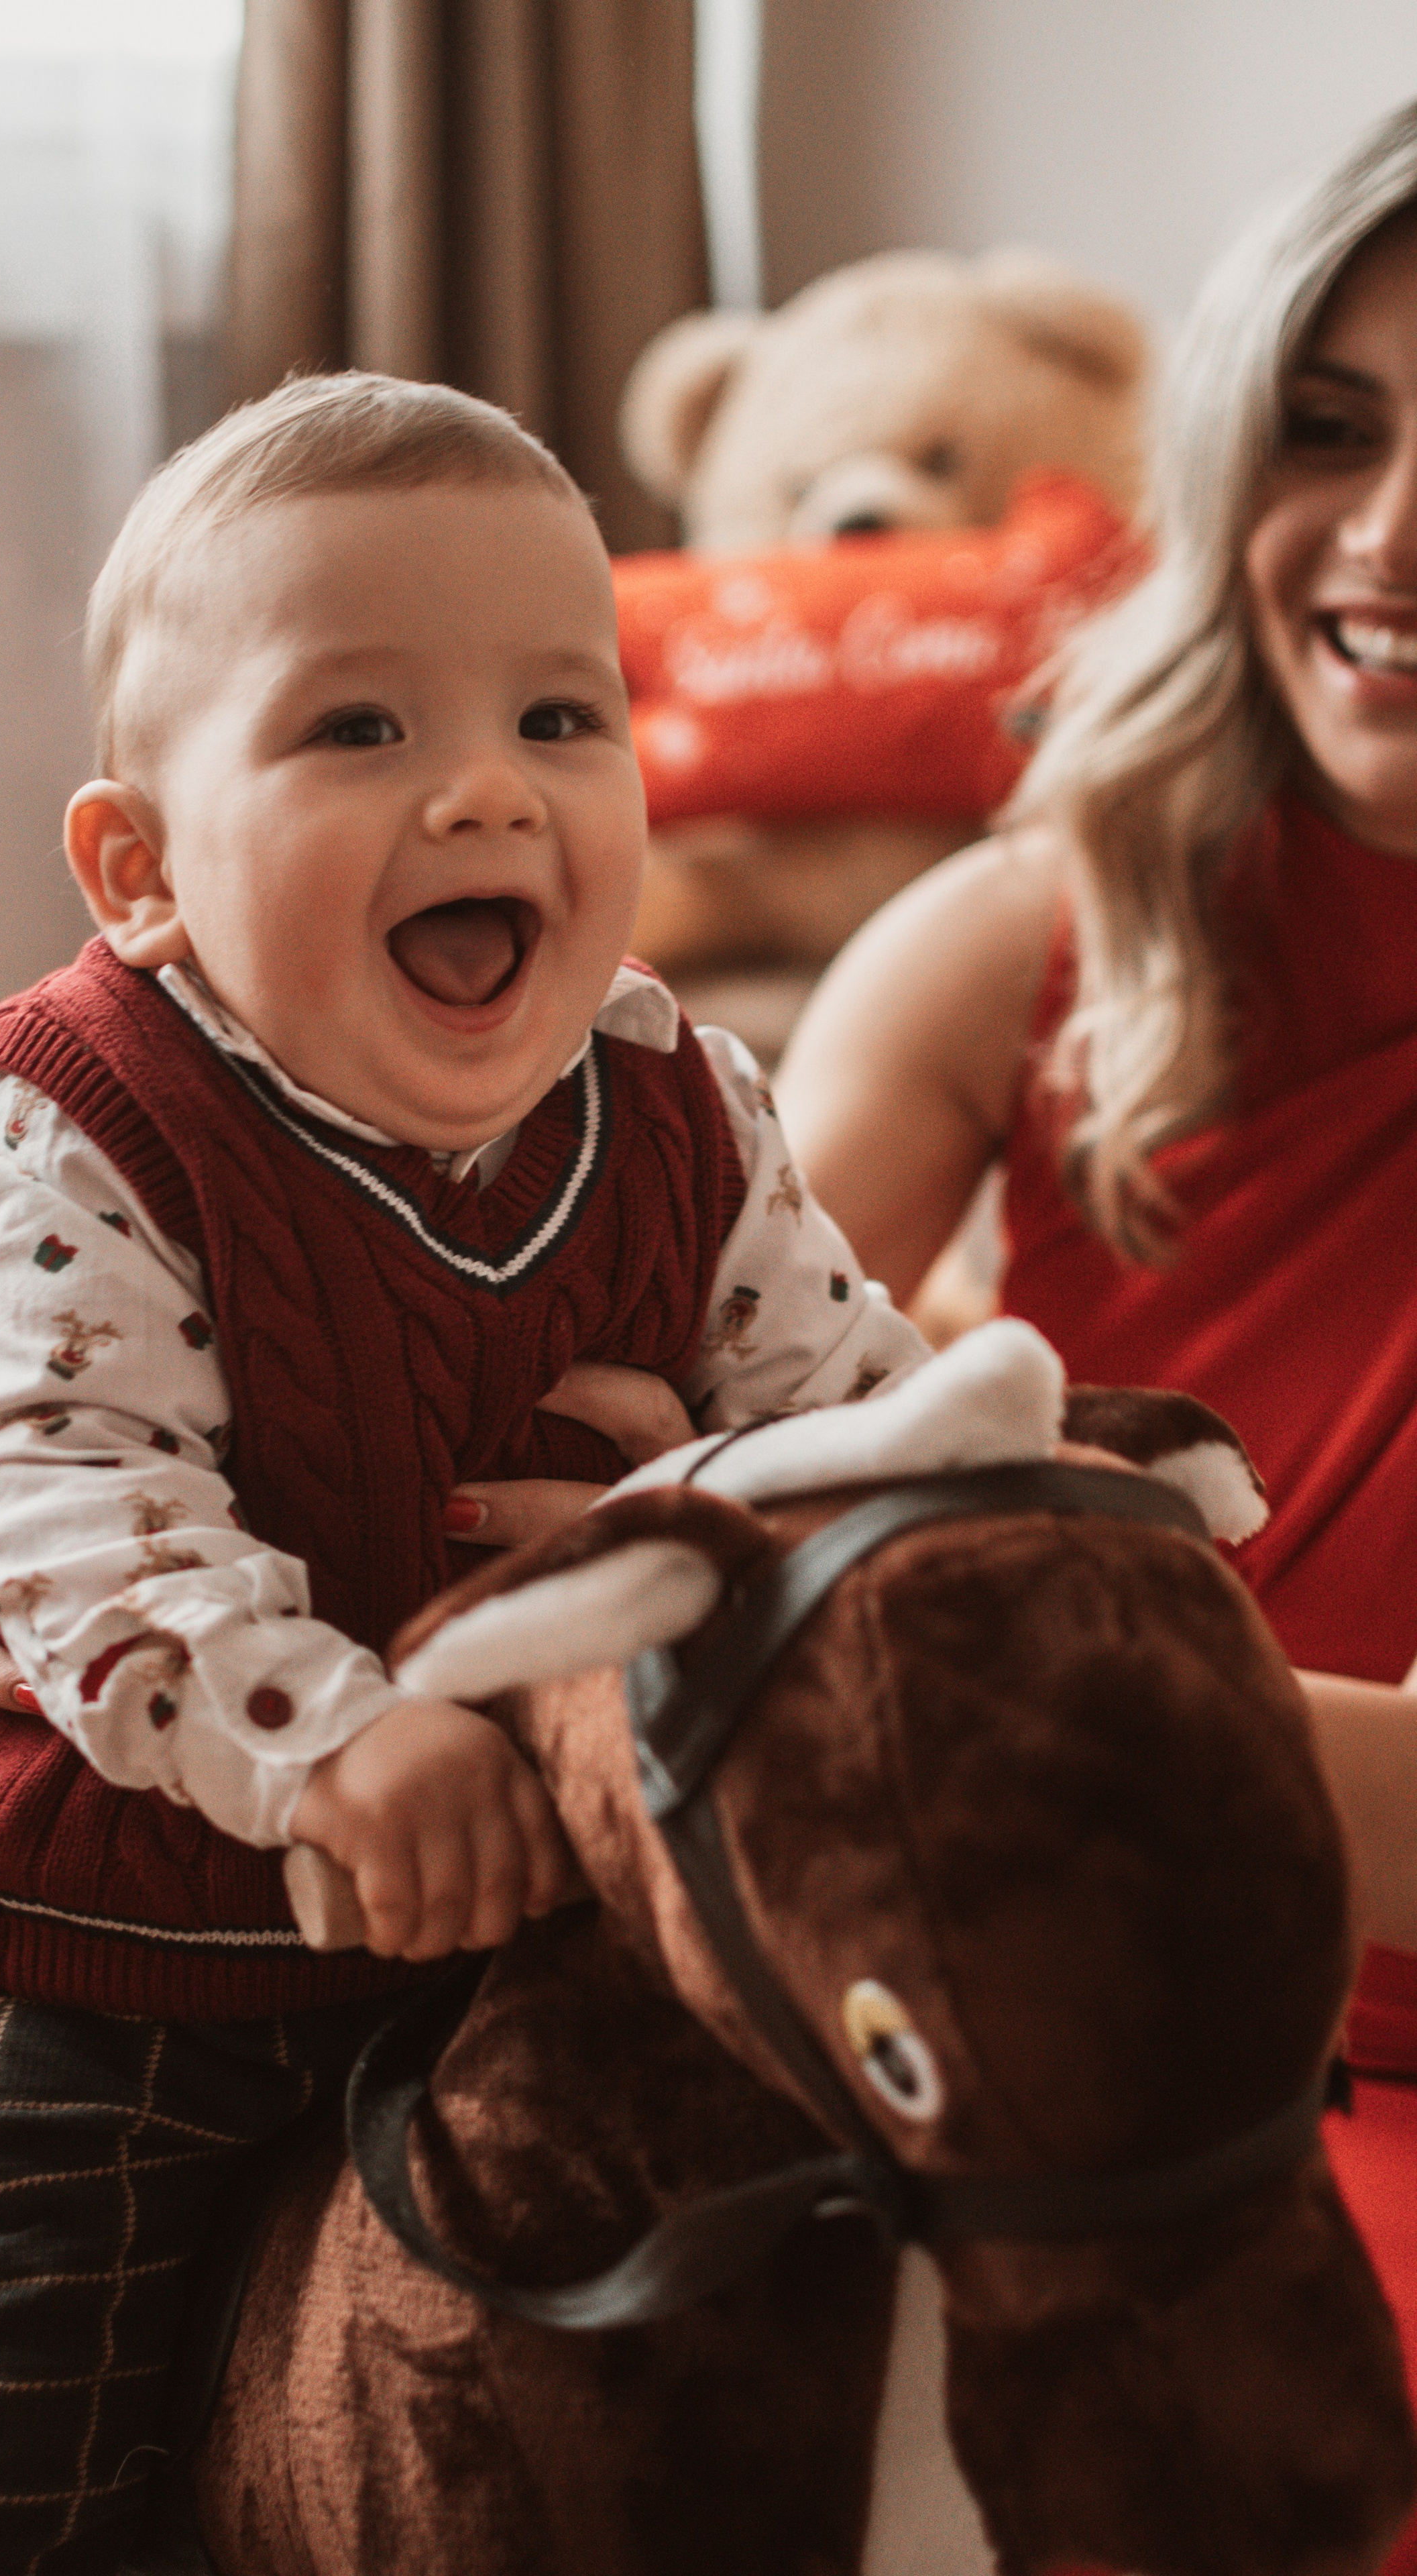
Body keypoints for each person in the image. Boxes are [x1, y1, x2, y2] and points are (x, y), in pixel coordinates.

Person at [0, 370, 933, 2575]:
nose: (482, 795)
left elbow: (865, 1419)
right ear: (142, 871)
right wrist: (330, 1737)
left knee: (676, 2346)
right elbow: (62, 1487)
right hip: (106, 1959)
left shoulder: (687, 1106)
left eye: (561, 717)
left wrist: (715, 1490)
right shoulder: (77, 1120)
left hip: (517, 1909)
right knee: (16, 2465)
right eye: (358, 731)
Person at [775, 97, 1417, 2567]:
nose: (1390, 537)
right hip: (1003, 1991)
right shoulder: (1007, 945)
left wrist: (1007, 1679)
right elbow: (677, 1399)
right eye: (1329, 432)